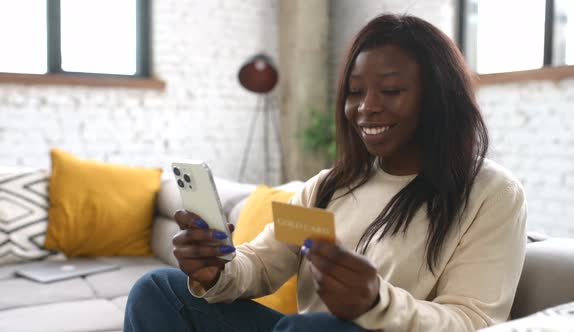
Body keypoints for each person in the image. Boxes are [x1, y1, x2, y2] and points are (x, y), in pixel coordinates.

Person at [124, 14, 527, 332]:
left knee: (314, 328)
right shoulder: (327, 188)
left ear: (438, 97)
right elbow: (265, 262)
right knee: (157, 290)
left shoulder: (491, 193)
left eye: (389, 91)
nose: (366, 107)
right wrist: (216, 272)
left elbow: (475, 323)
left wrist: (376, 305)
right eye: (355, 91)